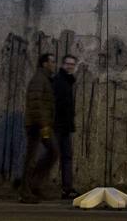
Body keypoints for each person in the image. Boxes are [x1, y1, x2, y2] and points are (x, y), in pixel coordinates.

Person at [19, 53, 58, 203]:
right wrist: (44, 125)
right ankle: (25, 191)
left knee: (53, 152)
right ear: (44, 64)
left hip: (42, 124)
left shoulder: (46, 79)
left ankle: (34, 185)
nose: (54, 64)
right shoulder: (38, 79)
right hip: (37, 125)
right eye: (52, 61)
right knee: (32, 158)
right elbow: (35, 103)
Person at [54, 54, 80, 199]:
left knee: (67, 157)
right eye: (68, 64)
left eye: (72, 64)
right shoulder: (59, 81)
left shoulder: (68, 81)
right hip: (57, 126)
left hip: (64, 127)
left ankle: (67, 189)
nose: (70, 66)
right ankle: (33, 185)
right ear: (63, 64)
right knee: (50, 156)